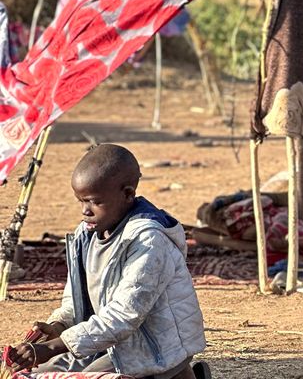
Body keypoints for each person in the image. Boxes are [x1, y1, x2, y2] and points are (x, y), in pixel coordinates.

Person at [6, 144, 207, 379]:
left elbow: (124, 316)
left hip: (158, 351)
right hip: (109, 342)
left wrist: (52, 347)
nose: (85, 211)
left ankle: (179, 374)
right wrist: (57, 327)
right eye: (80, 201)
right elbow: (76, 301)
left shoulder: (148, 242)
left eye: (94, 202)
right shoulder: (86, 235)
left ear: (127, 194)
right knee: (30, 373)